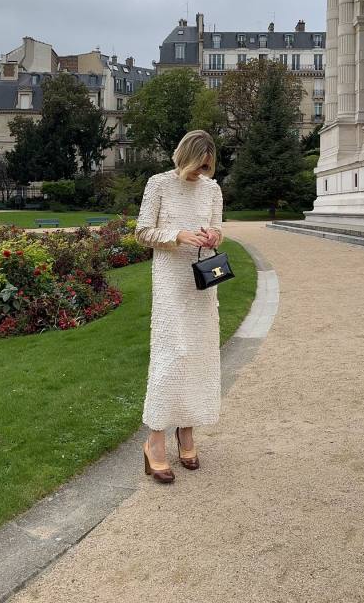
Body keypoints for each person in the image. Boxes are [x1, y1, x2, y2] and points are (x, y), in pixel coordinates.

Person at [134, 130, 224, 483]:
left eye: (206, 167)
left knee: (200, 353)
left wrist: (214, 236)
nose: (200, 173)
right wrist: (177, 235)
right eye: (197, 166)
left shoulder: (212, 189)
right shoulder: (159, 184)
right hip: (172, 279)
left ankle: (187, 431)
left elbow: (219, 227)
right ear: (184, 157)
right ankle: (154, 440)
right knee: (172, 353)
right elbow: (142, 232)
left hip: (203, 278)